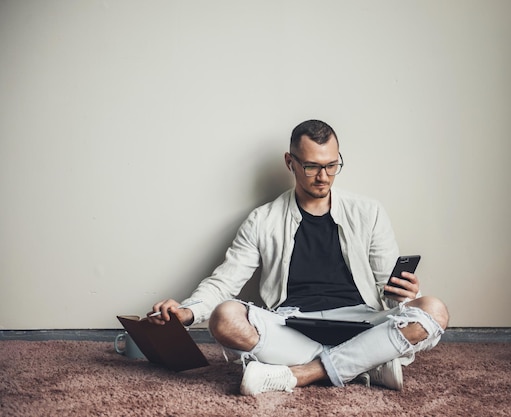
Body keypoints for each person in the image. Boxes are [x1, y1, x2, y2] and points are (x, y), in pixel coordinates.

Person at [148, 119, 449, 395]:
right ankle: (365, 365)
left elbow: (393, 293)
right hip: (291, 328)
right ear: (289, 162)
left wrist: (407, 295)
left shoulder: (369, 213)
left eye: (332, 165)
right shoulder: (262, 220)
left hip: (362, 322)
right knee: (224, 317)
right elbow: (224, 283)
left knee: (434, 310)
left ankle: (302, 374)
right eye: (311, 166)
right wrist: (186, 312)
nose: (323, 177)